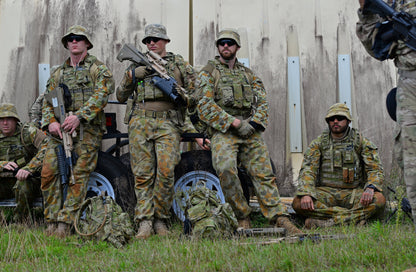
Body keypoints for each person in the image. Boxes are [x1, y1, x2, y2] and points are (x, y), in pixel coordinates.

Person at [196, 29, 302, 235]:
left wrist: (252, 124)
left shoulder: (248, 74)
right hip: (223, 130)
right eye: (222, 43)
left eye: (230, 43)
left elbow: (262, 102)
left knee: (263, 173)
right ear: (218, 47)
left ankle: (279, 218)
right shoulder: (208, 72)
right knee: (225, 168)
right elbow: (204, 105)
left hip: (249, 130)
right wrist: (234, 123)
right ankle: (241, 215)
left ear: (237, 47)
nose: (225, 46)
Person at [116, 23, 206, 239]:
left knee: (166, 172)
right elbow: (120, 95)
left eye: (156, 39)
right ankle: (144, 222)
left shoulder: (178, 64)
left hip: (168, 123)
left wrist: (183, 95)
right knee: (142, 174)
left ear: (166, 41)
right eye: (148, 40)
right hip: (140, 122)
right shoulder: (136, 66)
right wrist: (133, 75)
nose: (152, 43)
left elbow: (198, 92)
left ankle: (161, 220)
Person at [41, 25, 115, 237]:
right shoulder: (58, 73)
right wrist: (50, 123)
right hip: (59, 132)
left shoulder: (98, 69)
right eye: (70, 39)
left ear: (87, 44)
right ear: (66, 43)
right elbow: (48, 101)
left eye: (79, 38)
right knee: (48, 172)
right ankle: (51, 220)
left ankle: (65, 223)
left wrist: (79, 116)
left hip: (87, 131)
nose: (74, 42)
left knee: (78, 174)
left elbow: (102, 95)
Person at [356, 0, 416, 230]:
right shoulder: (395, 2)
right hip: (410, 81)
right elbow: (377, 47)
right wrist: (367, 11)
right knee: (412, 166)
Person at [292, 103, 386, 228]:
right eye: (332, 119)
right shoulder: (319, 143)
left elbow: (375, 168)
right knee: (298, 202)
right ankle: (351, 220)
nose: (335, 121)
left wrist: (370, 187)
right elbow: (308, 170)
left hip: (352, 194)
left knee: (379, 199)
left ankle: (325, 223)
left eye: (340, 118)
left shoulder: (360, 141)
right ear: (328, 122)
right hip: (326, 193)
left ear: (348, 120)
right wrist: (306, 193)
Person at [0, 103, 48, 222]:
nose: (5, 123)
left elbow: (47, 147)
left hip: (28, 181)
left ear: (16, 120)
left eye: (9, 119)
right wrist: (2, 164)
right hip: (5, 181)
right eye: (2, 119)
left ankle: (20, 222)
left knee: (23, 186)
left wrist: (29, 168)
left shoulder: (28, 132)